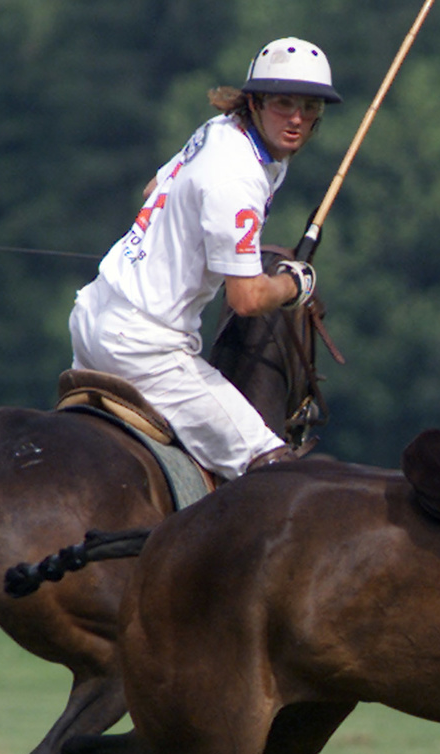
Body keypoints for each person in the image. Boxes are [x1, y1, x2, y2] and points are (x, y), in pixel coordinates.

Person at [69, 37, 341, 479]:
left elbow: (152, 191)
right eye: (284, 104)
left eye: (310, 108)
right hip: (147, 351)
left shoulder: (218, 130)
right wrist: (296, 284)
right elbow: (248, 299)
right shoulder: (236, 180)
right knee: (273, 472)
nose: (296, 119)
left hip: (92, 315)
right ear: (254, 103)